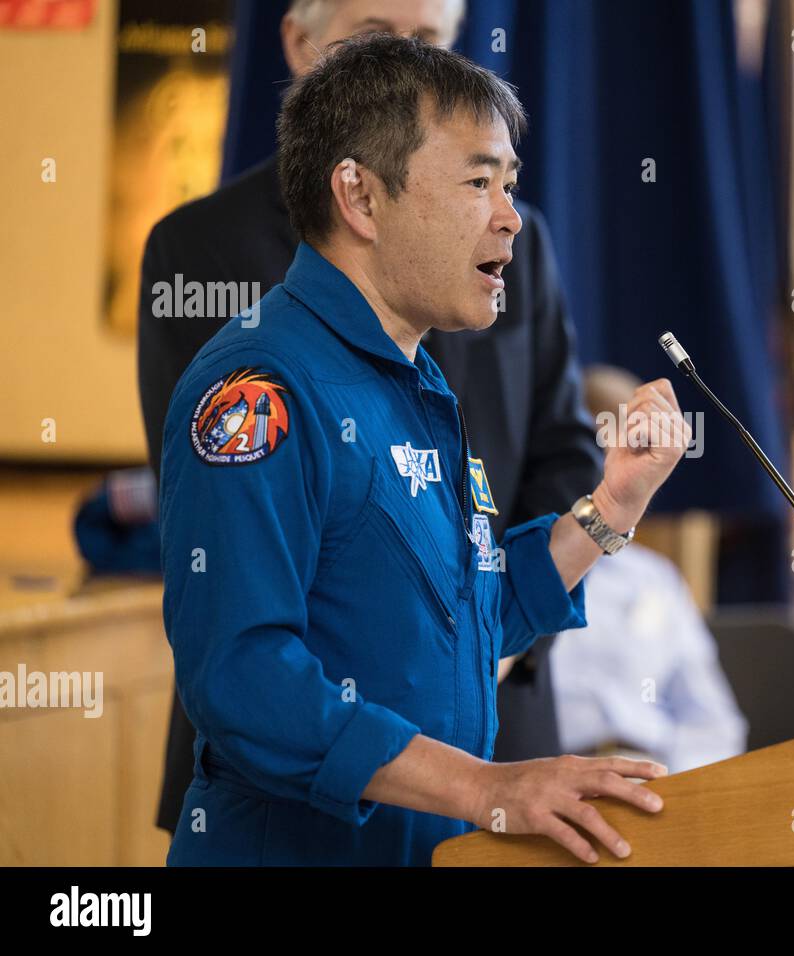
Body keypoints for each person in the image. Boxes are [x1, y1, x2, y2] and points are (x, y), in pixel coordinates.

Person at [160, 33, 692, 865]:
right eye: (479, 182)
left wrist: (612, 504)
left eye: (509, 185)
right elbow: (243, 678)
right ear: (360, 198)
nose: (511, 216)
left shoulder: (418, 383)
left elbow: (473, 628)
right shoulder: (259, 389)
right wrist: (484, 787)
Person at [551, 366, 748, 772]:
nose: (630, 468)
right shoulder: (530, 569)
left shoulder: (656, 580)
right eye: (608, 445)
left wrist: (676, 792)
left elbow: (714, 724)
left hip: (654, 779)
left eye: (641, 447)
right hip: (555, 782)